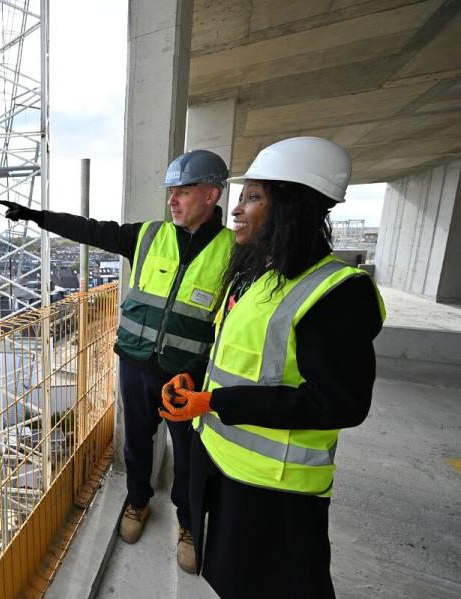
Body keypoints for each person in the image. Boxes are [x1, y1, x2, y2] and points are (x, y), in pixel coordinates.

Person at [158, 137, 385, 597]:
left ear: (293, 207)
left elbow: (338, 403)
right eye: (241, 197)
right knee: (228, 579)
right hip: (224, 466)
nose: (237, 210)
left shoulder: (337, 293)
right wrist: (196, 375)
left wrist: (214, 401)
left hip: (274, 489)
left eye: (254, 197)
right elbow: (238, 353)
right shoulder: (260, 277)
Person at [0, 150, 234, 573]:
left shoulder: (234, 253)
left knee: (190, 453)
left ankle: (189, 524)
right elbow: (90, 230)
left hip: (187, 375)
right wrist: (36, 215)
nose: (172, 201)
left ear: (212, 194)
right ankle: (138, 502)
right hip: (137, 364)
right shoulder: (147, 236)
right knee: (136, 441)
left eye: (183, 191)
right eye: (170, 192)